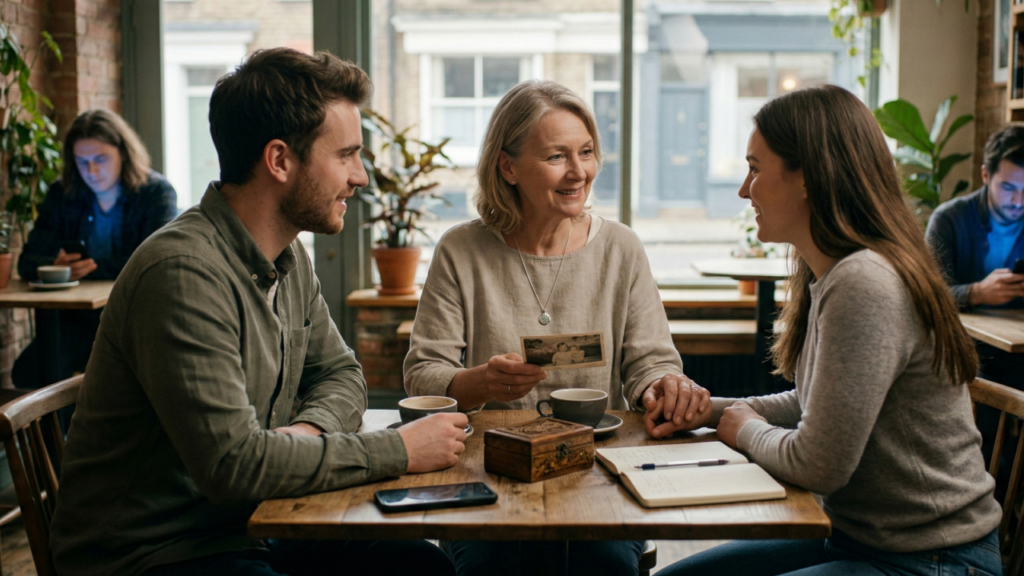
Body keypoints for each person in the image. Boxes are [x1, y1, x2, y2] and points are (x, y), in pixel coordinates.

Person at [49, 48, 465, 576]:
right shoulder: (181, 273)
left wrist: (308, 431)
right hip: (152, 553)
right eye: (346, 155)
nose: (360, 177)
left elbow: (343, 375)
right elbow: (234, 468)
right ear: (280, 160)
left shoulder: (288, 259)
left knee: (420, 569)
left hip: (249, 523)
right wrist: (398, 451)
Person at [653, 85, 1002, 576]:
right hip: (858, 543)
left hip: (933, 559)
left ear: (808, 178)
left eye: (755, 168)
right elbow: (816, 403)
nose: (742, 190)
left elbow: (819, 465)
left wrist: (744, 428)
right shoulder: (833, 272)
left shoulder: (865, 281)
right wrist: (710, 410)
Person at [404, 79, 710, 576]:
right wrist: (481, 382)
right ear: (507, 167)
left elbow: (651, 361)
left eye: (586, 152)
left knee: (604, 568)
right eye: (556, 157)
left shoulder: (621, 248)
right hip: (487, 474)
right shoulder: (461, 250)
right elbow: (423, 375)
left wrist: (662, 387)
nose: (579, 172)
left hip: (599, 472)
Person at [14, 109, 177, 386]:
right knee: (30, 372)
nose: (91, 171)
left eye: (101, 159)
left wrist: (82, 269)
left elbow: (153, 265)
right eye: (82, 161)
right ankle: (64, 429)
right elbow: (27, 261)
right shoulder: (63, 193)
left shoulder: (155, 192)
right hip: (75, 320)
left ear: (123, 153)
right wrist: (56, 265)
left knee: (116, 380)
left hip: (134, 319)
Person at [925, 125, 1024, 391]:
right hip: (964, 347)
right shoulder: (949, 220)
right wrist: (977, 292)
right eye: (1008, 187)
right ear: (985, 175)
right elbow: (926, 297)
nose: (1018, 200)